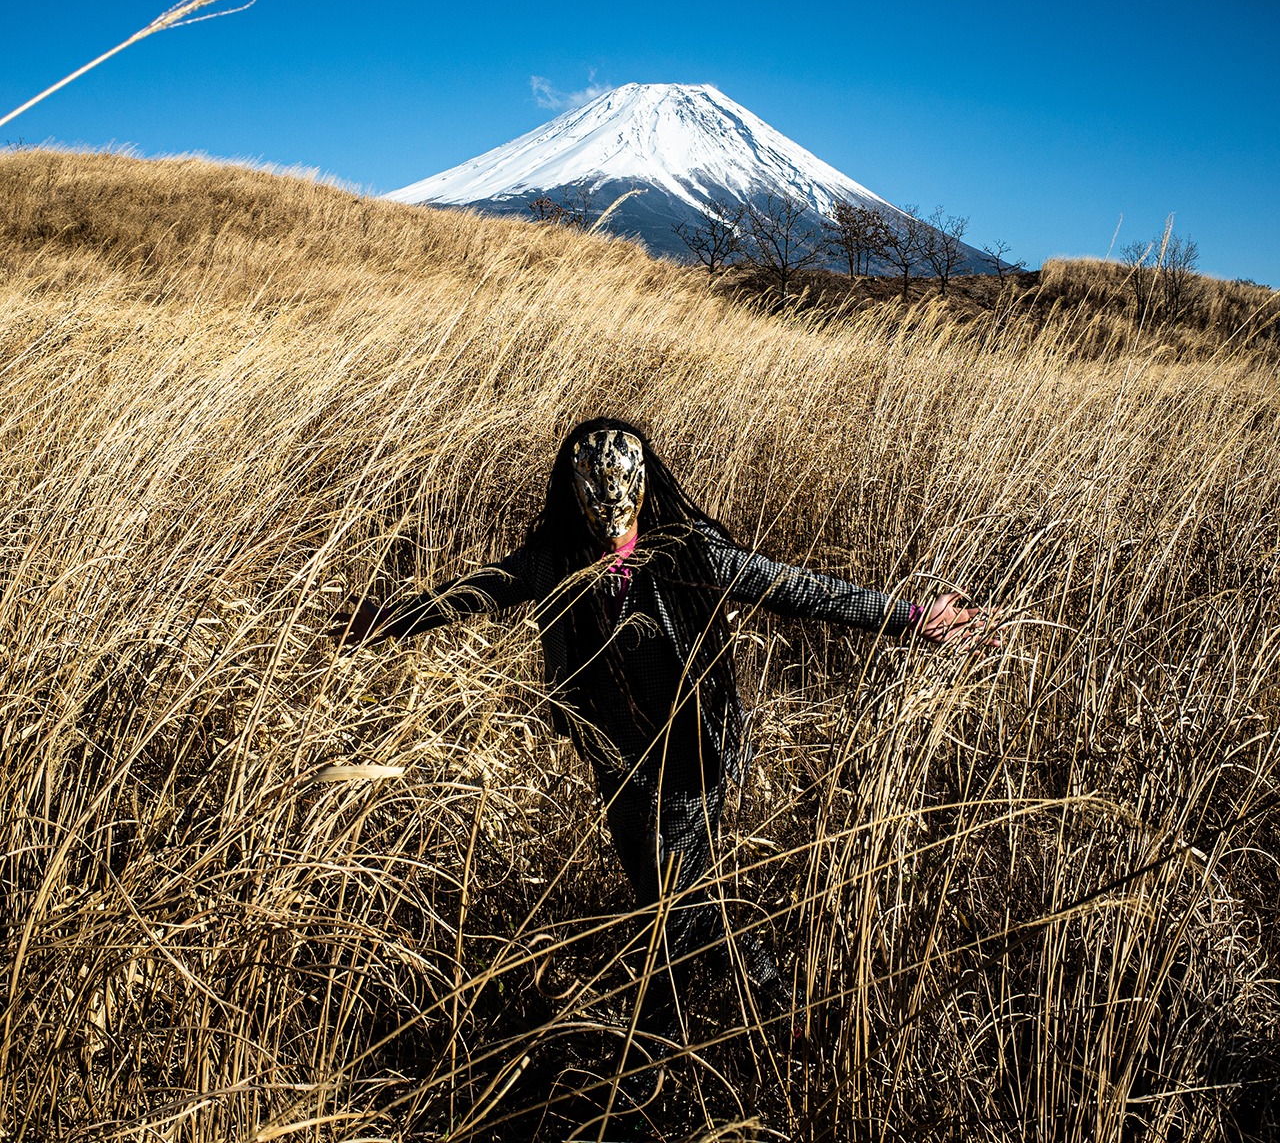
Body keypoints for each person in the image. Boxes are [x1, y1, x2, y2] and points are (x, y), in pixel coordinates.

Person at [328, 417, 989, 1095]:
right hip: (615, 760)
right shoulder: (551, 558)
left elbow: (800, 589)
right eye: (597, 500)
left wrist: (912, 618)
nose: (611, 518)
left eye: (622, 497)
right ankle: (718, 1022)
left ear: (642, 489)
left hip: (691, 754)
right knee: (660, 898)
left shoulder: (690, 551)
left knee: (681, 901)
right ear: (574, 494)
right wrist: (386, 621)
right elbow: (473, 592)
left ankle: (734, 1023)